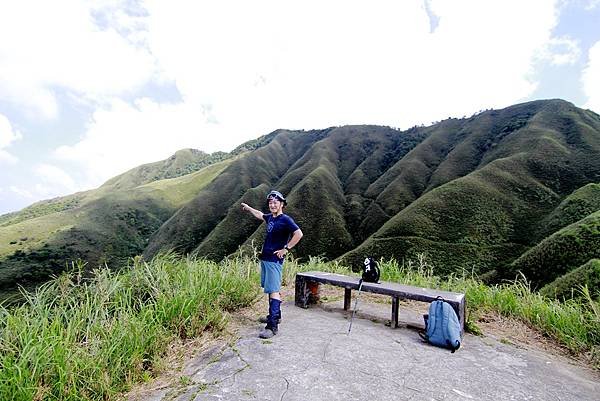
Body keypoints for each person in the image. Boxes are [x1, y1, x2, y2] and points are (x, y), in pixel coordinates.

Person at [241, 190, 303, 339]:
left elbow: (299, 234)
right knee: (270, 288)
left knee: (274, 290)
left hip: (275, 260)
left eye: (275, 202)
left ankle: (272, 326)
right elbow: (260, 215)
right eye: (270, 202)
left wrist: (286, 248)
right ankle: (275, 316)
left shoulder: (285, 219)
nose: (272, 205)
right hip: (266, 258)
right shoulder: (271, 218)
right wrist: (249, 209)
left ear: (282, 204)